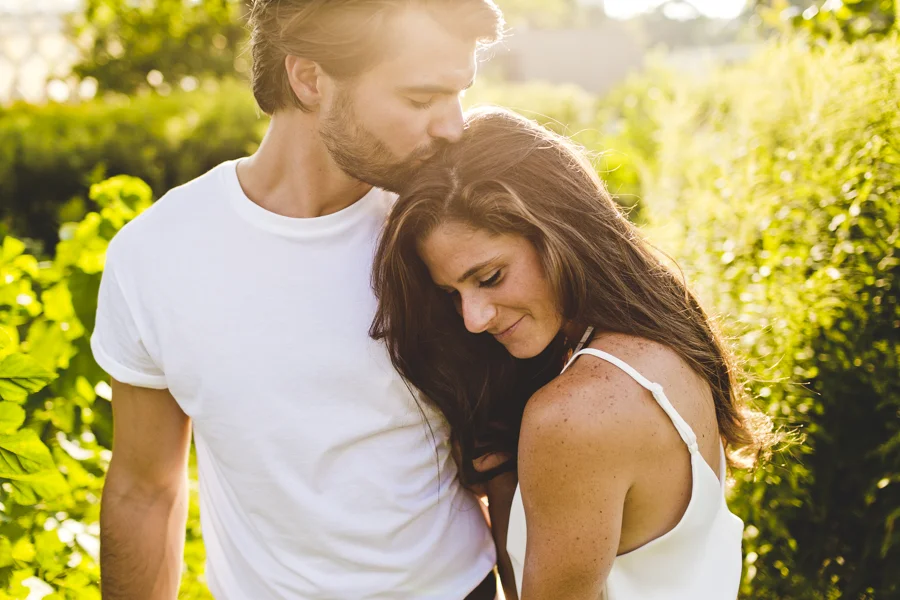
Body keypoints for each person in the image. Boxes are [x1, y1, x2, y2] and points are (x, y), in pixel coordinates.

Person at [90, 2, 506, 598]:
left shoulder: (444, 239)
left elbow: (519, 450)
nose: (453, 127)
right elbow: (143, 488)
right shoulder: (154, 254)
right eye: (421, 99)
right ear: (309, 79)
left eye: (459, 94)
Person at [371, 107, 777, 599]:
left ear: (560, 233)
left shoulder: (577, 412)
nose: (473, 319)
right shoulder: (664, 338)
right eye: (453, 294)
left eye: (490, 277)